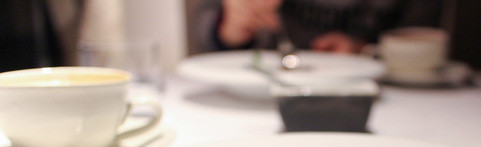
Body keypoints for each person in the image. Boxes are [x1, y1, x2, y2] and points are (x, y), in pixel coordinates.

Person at [186, 0, 442, 55]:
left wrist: (363, 48)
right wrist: (229, 29)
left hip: (392, 99)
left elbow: (424, 37)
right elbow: (202, 28)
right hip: (260, 97)